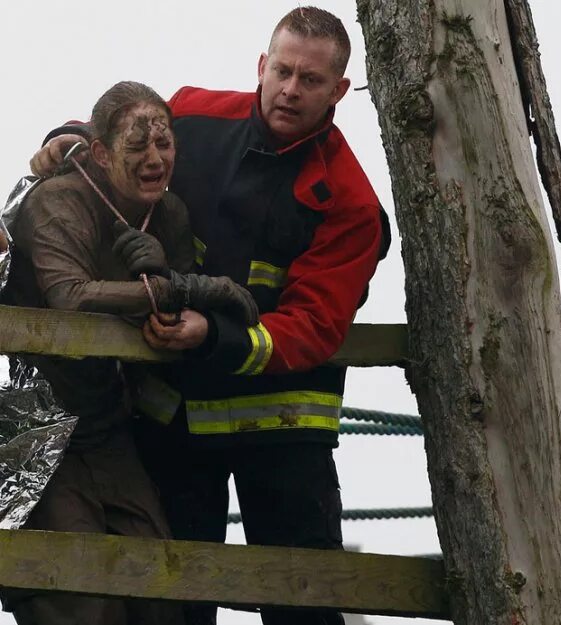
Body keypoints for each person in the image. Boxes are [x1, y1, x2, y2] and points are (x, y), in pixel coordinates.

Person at [32, 7, 390, 625]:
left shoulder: (352, 204)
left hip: (281, 430)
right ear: (261, 66)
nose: (290, 89)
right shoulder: (192, 116)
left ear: (339, 90)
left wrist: (211, 335)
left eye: (310, 80)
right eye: (282, 70)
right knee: (175, 603)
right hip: (175, 421)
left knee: (305, 598)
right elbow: (123, 136)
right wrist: (65, 139)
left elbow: (313, 325)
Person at [1, 81, 258, 625]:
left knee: (158, 591)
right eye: (137, 147)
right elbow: (69, 298)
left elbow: (175, 311)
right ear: (100, 152)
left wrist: (172, 279)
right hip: (39, 427)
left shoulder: (169, 213)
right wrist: (186, 288)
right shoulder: (57, 201)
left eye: (164, 145)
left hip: (110, 423)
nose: (154, 159)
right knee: (77, 596)